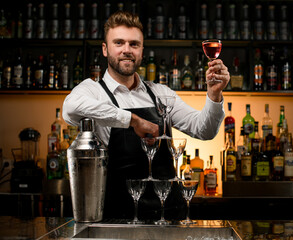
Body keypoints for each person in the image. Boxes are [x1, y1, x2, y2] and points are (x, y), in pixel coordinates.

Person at [62, 11, 230, 220]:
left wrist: (214, 94)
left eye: (134, 44)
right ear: (105, 49)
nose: (127, 50)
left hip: (168, 215)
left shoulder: (161, 94)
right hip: (118, 217)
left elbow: (203, 130)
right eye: (119, 43)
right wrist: (133, 121)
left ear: (142, 51)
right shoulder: (91, 91)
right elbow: (70, 109)